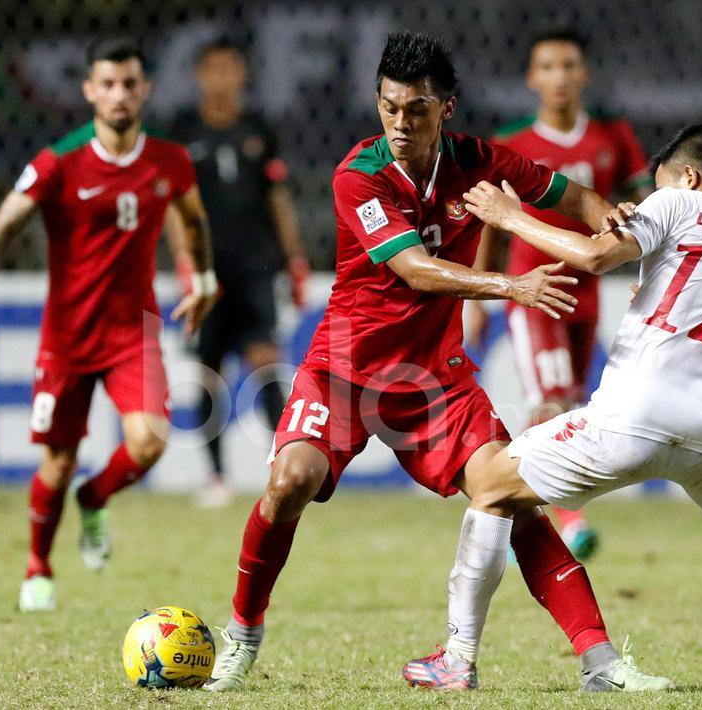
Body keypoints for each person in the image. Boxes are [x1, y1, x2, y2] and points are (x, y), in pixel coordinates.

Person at [206, 31, 670, 694]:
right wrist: (511, 286)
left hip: (431, 382)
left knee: (509, 499)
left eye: (415, 109)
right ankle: (243, 636)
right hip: (343, 372)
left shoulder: (478, 160)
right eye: (388, 107)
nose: (400, 123)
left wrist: (615, 223)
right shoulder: (357, 174)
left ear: (445, 108)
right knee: (289, 480)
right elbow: (413, 270)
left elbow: (573, 198)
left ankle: (601, 661)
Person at [411, 125, 702, 694]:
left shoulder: (677, 201)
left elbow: (597, 256)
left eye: (662, 184)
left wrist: (509, 217)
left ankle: (457, 658)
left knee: (492, 489)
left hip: (633, 418)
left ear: (690, 178)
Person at [0, 37, 217, 612]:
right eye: (107, 84)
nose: (119, 94)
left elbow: (193, 216)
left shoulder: (169, 161)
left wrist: (204, 277)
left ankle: (96, 497)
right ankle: (38, 566)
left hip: (132, 331)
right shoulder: (59, 161)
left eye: (129, 83)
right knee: (57, 462)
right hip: (66, 338)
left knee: (149, 442)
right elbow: (3, 225)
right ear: (89, 90)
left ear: (146, 89)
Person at [466, 29, 654, 561]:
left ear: (584, 74)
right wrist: (482, 297)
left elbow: (647, 207)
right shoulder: (512, 143)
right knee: (548, 397)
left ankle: (517, 508)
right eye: (547, 67)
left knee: (566, 403)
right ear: (532, 79)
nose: (559, 77)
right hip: (533, 289)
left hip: (587, 294)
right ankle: (570, 517)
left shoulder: (613, 137)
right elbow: (492, 225)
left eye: (569, 65)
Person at [165, 38, 309, 510]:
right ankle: (216, 478)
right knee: (208, 370)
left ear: (243, 76)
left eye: (232, 69)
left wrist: (294, 258)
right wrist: (185, 262)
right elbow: (172, 205)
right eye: (214, 70)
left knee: (266, 362)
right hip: (208, 271)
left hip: (256, 265)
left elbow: (277, 197)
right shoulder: (182, 132)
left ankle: (285, 468)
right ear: (199, 76)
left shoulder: (258, 130)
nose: (223, 79)